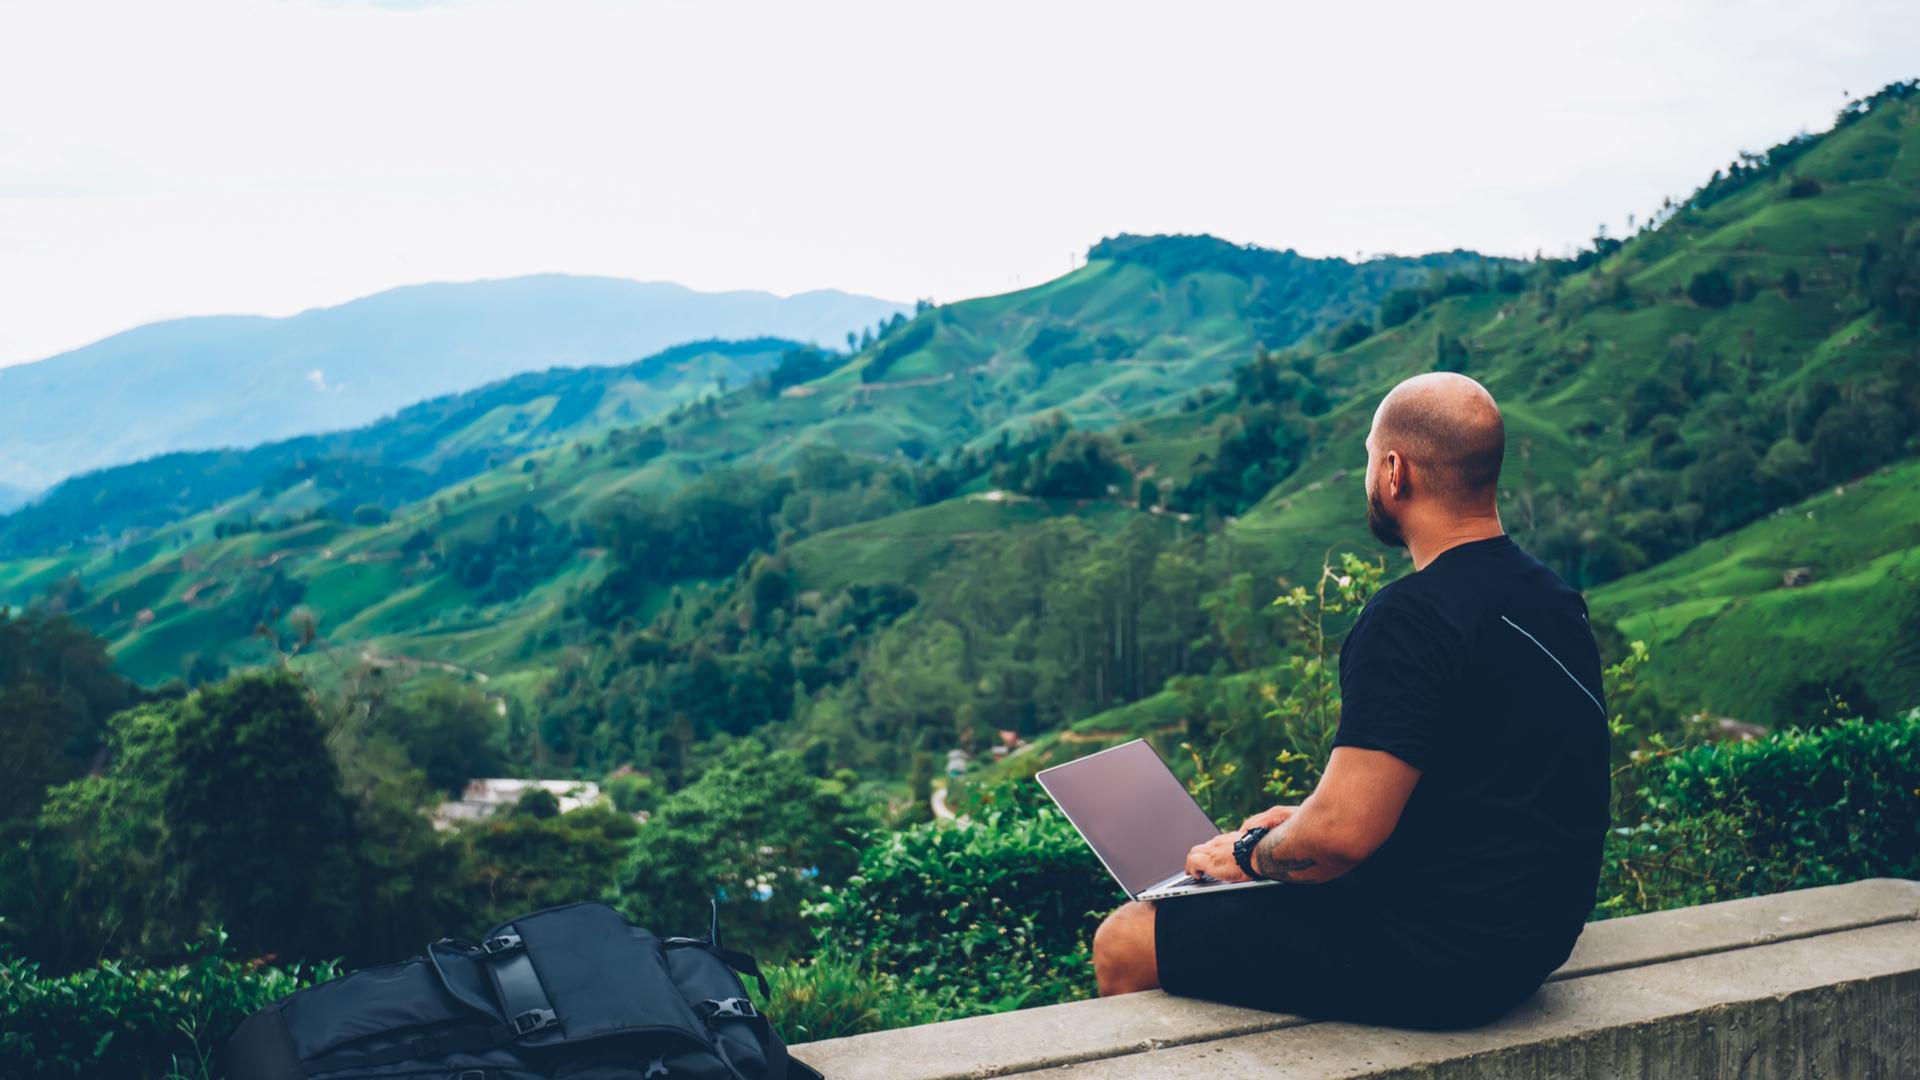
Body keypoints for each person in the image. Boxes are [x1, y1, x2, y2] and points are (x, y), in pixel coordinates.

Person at [1090, 372, 1609, 1029]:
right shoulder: (1553, 598)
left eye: (1368, 457)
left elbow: (1340, 838)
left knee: (1125, 940)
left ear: (1394, 472)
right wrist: (1302, 823)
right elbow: (1497, 785)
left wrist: (1249, 856)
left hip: (1448, 960)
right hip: (1534, 940)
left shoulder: (1411, 617)